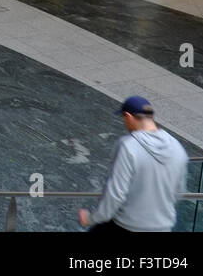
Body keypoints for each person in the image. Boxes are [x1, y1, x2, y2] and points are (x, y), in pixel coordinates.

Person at [79, 96, 188, 233]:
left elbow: (115, 194)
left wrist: (91, 218)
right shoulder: (177, 148)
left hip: (128, 225)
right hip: (163, 227)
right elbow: (178, 192)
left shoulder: (128, 146)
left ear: (128, 116)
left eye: (124, 118)